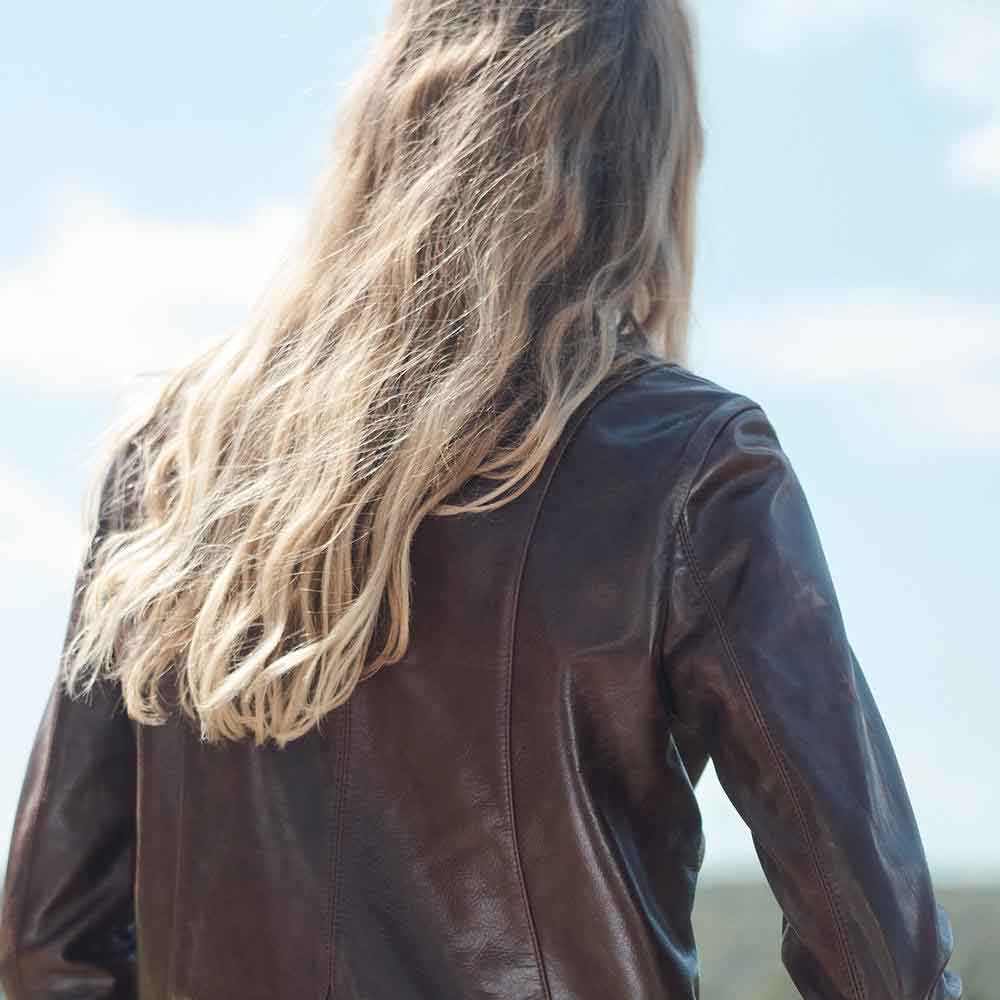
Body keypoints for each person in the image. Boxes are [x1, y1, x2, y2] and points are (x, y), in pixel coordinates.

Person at [0, 1, 963, 998]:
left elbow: (50, 949)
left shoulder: (174, 462)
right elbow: (880, 968)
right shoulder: (686, 464)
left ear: (391, 123)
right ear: (647, 151)